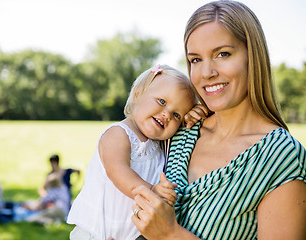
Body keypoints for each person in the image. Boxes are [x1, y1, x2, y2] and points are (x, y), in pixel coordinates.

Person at [131, 1, 306, 240]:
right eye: (195, 59)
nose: (206, 73)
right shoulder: (181, 127)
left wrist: (170, 235)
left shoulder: (280, 156)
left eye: (222, 54)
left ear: (252, 57)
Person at [67, 64, 203, 240]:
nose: (167, 114)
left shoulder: (163, 146)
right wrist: (151, 191)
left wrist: (198, 114)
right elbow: (117, 170)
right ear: (138, 94)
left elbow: (187, 129)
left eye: (177, 115)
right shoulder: (118, 133)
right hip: (95, 233)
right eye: (162, 101)